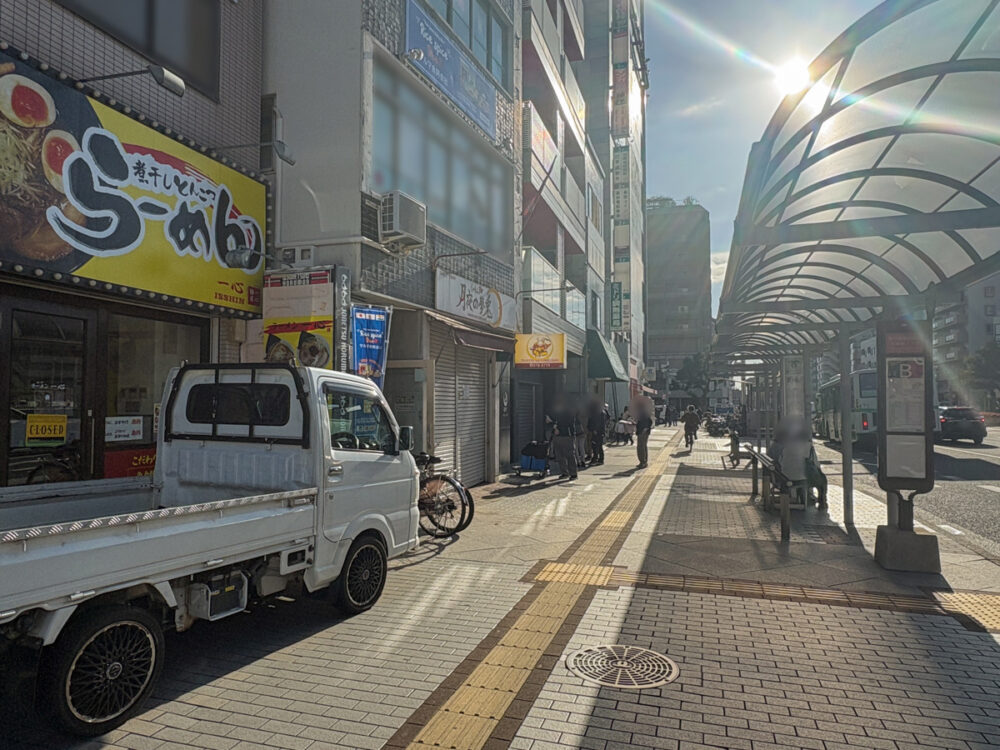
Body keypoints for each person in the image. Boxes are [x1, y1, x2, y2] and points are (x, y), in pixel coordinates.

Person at [550, 396, 578, 480]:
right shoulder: (556, 411)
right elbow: (553, 421)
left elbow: (568, 423)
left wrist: (559, 429)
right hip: (557, 436)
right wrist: (552, 424)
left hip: (567, 436)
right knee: (559, 456)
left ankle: (573, 473)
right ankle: (564, 472)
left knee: (569, 455)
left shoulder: (569, 411)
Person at [587, 400, 607, 465]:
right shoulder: (602, 412)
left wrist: (594, 429)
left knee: (595, 445)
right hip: (600, 431)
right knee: (599, 445)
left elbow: (596, 422)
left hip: (597, 431)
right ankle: (600, 459)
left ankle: (596, 459)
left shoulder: (597, 412)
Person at [635, 401, 653, 468]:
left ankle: (643, 462)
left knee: (641, 447)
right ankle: (643, 461)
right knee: (643, 446)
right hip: (643, 432)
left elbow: (647, 422)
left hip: (642, 432)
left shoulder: (643, 413)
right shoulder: (644, 413)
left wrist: (644, 429)